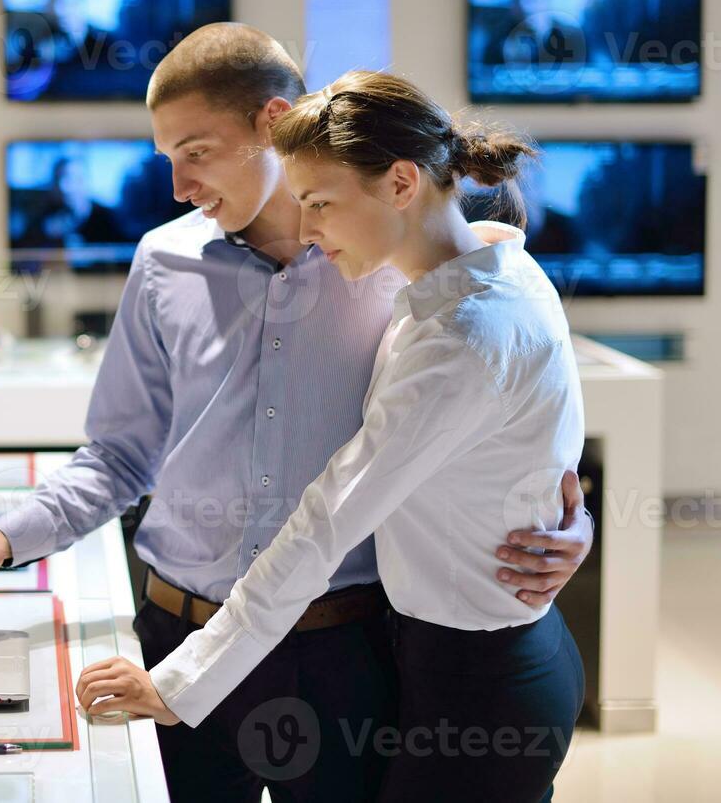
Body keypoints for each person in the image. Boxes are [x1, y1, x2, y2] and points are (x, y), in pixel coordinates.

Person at [0, 24, 593, 802]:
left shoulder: (398, 262)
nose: (179, 187)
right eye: (167, 161)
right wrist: (0, 537)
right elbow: (120, 454)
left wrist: (556, 516)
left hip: (343, 651)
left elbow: (489, 400)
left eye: (196, 152)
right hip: (174, 629)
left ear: (271, 122)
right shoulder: (162, 261)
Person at [75, 70, 586, 803]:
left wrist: (179, 685)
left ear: (402, 183)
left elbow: (327, 518)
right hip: (447, 651)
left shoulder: (462, 337)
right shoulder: (484, 266)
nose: (308, 229)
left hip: (481, 678)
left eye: (318, 203)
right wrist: (566, 519)